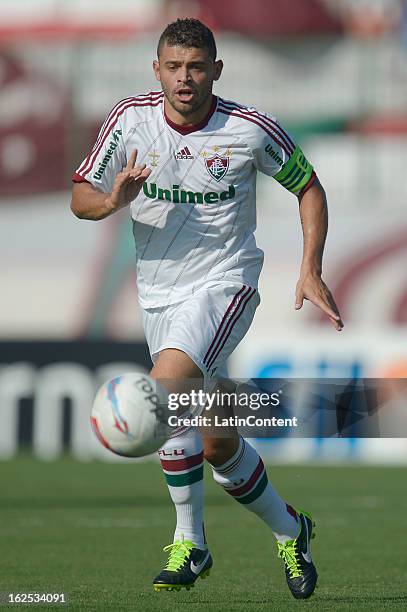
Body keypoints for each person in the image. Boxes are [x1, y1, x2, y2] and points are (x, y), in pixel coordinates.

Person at [71, 18, 343, 600]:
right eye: (174, 67)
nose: (185, 78)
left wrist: (309, 267)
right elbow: (81, 198)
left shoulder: (248, 129)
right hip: (158, 294)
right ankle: (291, 530)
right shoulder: (129, 119)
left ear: (216, 70)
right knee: (216, 442)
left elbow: (309, 186)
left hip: (227, 283)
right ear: (157, 70)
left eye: (196, 67)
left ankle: (189, 540)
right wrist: (114, 198)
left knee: (164, 392)